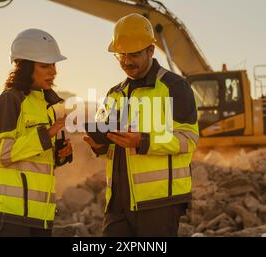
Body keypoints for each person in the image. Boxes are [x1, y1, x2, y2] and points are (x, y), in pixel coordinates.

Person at [84, 14, 199, 236]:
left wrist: (143, 141)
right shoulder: (114, 93)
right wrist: (98, 146)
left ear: (150, 50)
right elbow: (112, 146)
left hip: (159, 202)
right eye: (121, 55)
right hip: (118, 202)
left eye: (134, 54)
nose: (126, 62)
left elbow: (188, 139)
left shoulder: (175, 87)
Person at [0, 29, 73, 237]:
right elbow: (1, 153)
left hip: (41, 215)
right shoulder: (11, 100)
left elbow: (35, 160)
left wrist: (58, 156)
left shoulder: (46, 105)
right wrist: (45, 136)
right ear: (25, 67)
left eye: (54, 64)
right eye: (45, 65)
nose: (53, 71)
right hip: (12, 217)